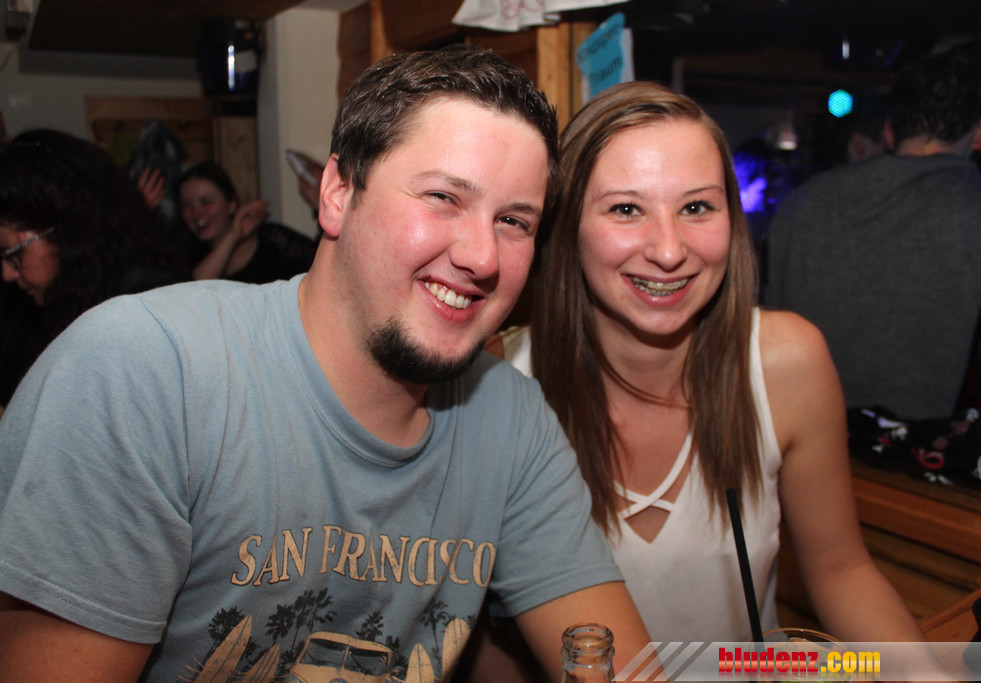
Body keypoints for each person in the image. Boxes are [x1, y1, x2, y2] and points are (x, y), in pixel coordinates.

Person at [0, 45, 655, 682]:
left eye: (514, 221)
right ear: (338, 192)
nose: (483, 256)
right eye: (443, 197)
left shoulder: (511, 418)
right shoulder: (144, 371)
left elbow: (612, 657)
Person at [470, 81, 924, 675]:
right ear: (568, 225)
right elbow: (485, 632)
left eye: (696, 208)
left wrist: (925, 672)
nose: (668, 250)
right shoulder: (496, 384)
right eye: (626, 209)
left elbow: (842, 570)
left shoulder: (787, 362)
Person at [764, 45, 981, 419]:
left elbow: (764, 327)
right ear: (980, 131)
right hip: (913, 448)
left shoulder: (806, 197)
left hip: (793, 430)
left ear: (888, 130)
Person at [0, 128, 186, 408]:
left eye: (13, 254)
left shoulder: (145, 309)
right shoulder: (46, 309)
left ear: (66, 232)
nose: (6, 273)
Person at [178, 160, 317, 283]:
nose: (196, 213)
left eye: (206, 202)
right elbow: (193, 293)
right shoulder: (185, 256)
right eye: (187, 205)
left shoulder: (274, 240)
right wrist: (232, 237)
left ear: (231, 204)